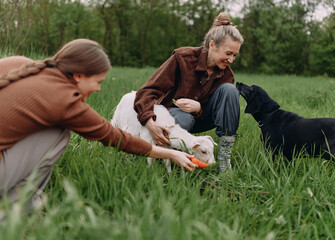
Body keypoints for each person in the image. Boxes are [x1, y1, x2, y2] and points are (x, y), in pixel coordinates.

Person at [0, 39, 196, 210]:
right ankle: (16, 207)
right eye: (98, 81)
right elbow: (115, 137)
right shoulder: (64, 100)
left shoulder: (22, 64)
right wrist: (170, 153)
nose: (99, 88)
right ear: (78, 75)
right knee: (58, 133)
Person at [134, 13, 244, 172]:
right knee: (184, 117)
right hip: (175, 118)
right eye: (228, 54)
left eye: (235, 55)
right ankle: (171, 158)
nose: (231, 60)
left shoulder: (227, 75)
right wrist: (150, 123)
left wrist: (199, 109)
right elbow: (147, 91)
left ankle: (224, 159)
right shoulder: (183, 58)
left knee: (230, 90)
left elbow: (218, 110)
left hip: (203, 118)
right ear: (212, 45)